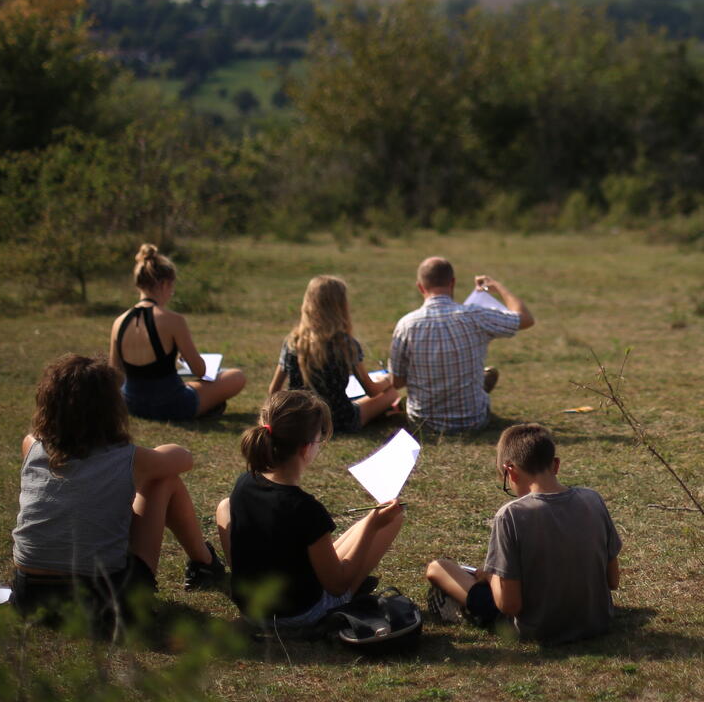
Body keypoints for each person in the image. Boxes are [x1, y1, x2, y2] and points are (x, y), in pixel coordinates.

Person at [10, 354, 226, 636]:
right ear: (112, 407)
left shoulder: (31, 446)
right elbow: (184, 458)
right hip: (105, 602)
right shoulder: (128, 458)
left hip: (30, 597)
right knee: (164, 480)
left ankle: (204, 564)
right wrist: (156, 453)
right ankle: (205, 564)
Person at [215, 390, 406, 628]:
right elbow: (337, 585)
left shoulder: (245, 482)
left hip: (251, 607)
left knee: (225, 505)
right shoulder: (305, 509)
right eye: (320, 438)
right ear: (306, 449)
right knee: (392, 519)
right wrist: (371, 526)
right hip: (297, 615)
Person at [423, 423, 621, 644]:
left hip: (536, 629)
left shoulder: (510, 515)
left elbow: (509, 605)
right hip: (596, 621)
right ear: (555, 464)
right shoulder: (593, 499)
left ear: (510, 471)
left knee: (437, 568)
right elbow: (613, 581)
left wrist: (491, 577)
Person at [389, 256, 534, 434]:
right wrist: (497, 287)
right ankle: (476, 384)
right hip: (474, 420)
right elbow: (526, 319)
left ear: (420, 287)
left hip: (424, 423)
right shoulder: (475, 315)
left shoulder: (406, 325)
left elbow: (397, 382)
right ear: (453, 283)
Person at [109, 244, 245, 421]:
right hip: (172, 405)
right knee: (236, 376)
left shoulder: (119, 322)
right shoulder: (173, 320)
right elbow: (200, 370)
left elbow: (114, 374)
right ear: (164, 284)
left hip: (131, 404)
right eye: (171, 287)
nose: (171, 293)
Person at [268, 275, 400, 433]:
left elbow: (274, 391)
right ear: (341, 306)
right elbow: (371, 390)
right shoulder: (346, 345)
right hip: (340, 420)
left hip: (301, 421)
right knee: (391, 393)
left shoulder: (293, 342)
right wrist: (388, 380)